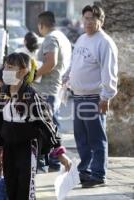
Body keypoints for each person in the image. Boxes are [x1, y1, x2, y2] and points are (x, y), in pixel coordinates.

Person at [0, 52, 71, 200]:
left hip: (28, 148)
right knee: (10, 186)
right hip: (9, 147)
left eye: (10, 67)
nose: (5, 71)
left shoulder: (32, 96)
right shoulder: (1, 94)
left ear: (23, 71)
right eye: (5, 67)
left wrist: (59, 153)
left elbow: (47, 124)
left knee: (25, 188)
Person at [69, 5, 118, 188]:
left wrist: (106, 97)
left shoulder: (104, 42)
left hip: (94, 98)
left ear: (101, 21)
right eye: (85, 18)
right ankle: (85, 171)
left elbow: (109, 72)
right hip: (78, 96)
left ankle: (98, 174)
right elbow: (75, 63)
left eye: (92, 19)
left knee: (96, 138)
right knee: (81, 138)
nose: (88, 22)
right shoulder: (82, 38)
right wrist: (68, 79)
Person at [35, 11, 72, 172]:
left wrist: (33, 75)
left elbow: (50, 63)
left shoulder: (50, 38)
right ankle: (53, 160)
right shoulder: (62, 37)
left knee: (48, 126)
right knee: (50, 125)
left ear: (41, 25)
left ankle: (55, 160)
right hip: (54, 87)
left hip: (47, 89)